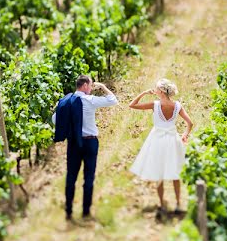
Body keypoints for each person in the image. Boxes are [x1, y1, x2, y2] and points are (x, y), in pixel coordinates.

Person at [52, 75, 118, 221]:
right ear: (85, 85)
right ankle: (86, 212)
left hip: (74, 143)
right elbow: (113, 100)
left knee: (71, 177)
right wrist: (103, 87)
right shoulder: (90, 100)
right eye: (91, 85)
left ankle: (68, 211)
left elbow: (55, 120)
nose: (91, 88)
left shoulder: (65, 101)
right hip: (90, 142)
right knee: (89, 177)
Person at [129, 78, 194, 218]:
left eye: (156, 88)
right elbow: (190, 123)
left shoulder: (155, 104)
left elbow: (132, 105)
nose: (154, 90)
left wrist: (144, 93)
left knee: (159, 173)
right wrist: (185, 135)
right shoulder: (177, 105)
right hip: (172, 140)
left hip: (157, 140)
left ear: (162, 91)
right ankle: (177, 204)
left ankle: (162, 205)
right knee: (175, 173)